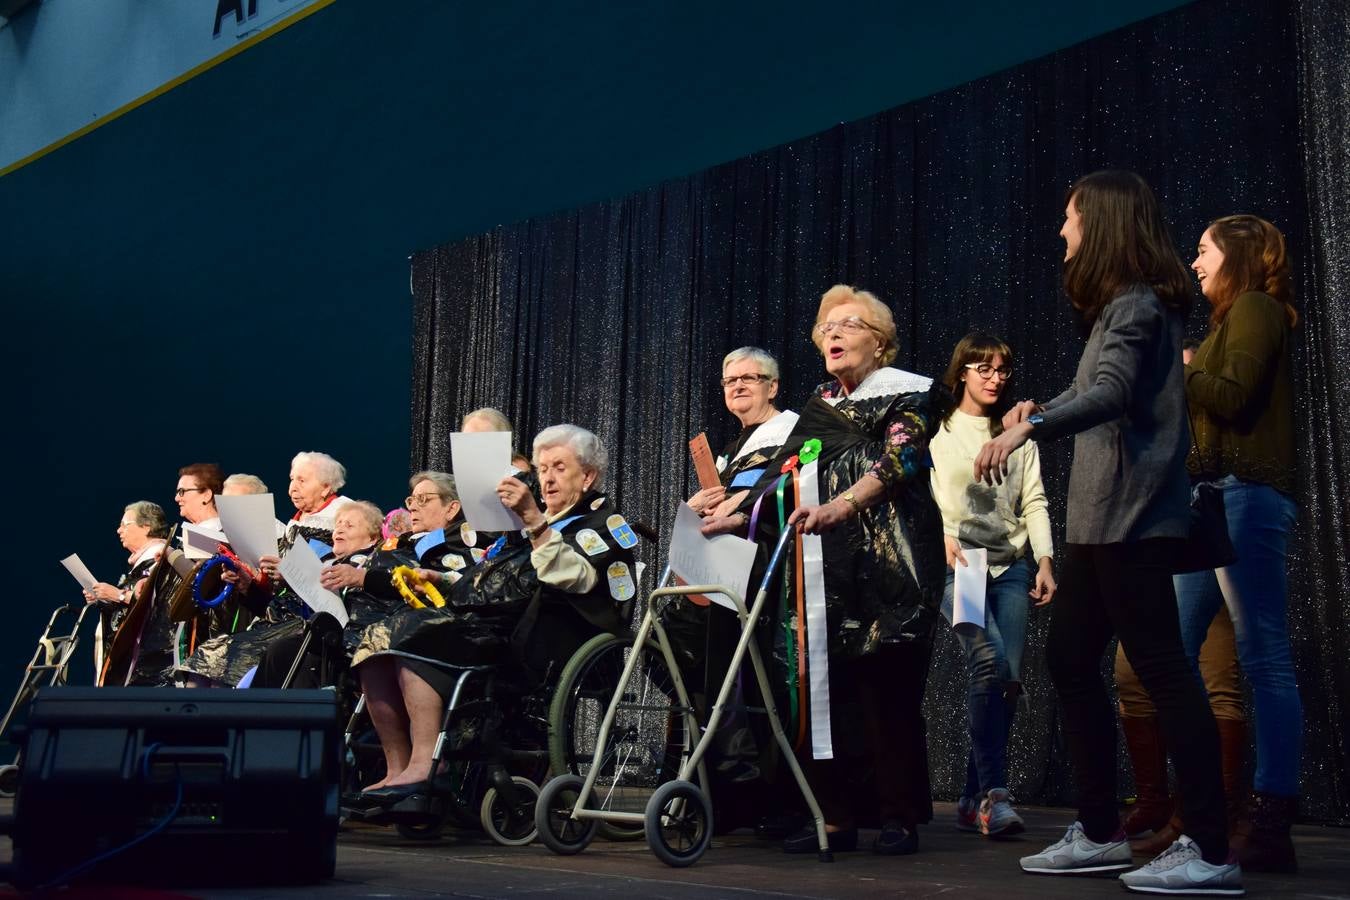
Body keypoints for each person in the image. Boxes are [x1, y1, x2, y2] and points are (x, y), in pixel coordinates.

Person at [980, 170, 1240, 895]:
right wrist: (1038, 410)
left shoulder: (1139, 303)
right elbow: (1087, 390)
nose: (1063, 232)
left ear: (1101, 222)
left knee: (1163, 669)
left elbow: (1114, 394)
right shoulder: (1116, 312)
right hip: (1100, 522)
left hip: (1133, 518)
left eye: (1070, 219)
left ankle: (1211, 847)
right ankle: (1098, 831)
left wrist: (1028, 427)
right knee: (1070, 662)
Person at [705, 284, 946, 857]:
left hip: (892, 559)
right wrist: (733, 510)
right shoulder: (819, 407)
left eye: (849, 324)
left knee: (885, 689)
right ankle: (833, 813)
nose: (832, 334)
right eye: (826, 328)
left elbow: (902, 457)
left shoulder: (909, 392)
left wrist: (847, 503)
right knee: (826, 688)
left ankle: (896, 814)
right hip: (824, 563)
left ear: (879, 340)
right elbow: (784, 474)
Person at [349, 426, 634, 805]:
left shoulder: (600, 524)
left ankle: (426, 765)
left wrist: (534, 518)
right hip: (489, 625)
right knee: (377, 643)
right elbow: (494, 576)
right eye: (542, 467)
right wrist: (446, 579)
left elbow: (575, 579)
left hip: (539, 641)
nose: (546, 477)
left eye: (559, 468)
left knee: (412, 633)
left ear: (588, 476)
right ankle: (397, 768)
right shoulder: (524, 526)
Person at [1176, 214, 1302, 872]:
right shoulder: (1227, 322)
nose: (1194, 262)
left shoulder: (1256, 307)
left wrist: (1186, 366)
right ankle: (1202, 808)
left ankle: (1273, 814)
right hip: (1211, 501)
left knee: (1263, 656)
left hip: (1247, 495)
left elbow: (1233, 396)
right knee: (1170, 650)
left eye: (1202, 250)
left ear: (1238, 255)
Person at [930, 333, 1054, 838]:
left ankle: (969, 796)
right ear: (962, 371)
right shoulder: (939, 430)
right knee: (987, 660)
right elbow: (928, 492)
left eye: (1002, 370)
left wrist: (1045, 560)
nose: (994, 378)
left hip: (1012, 565)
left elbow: (1034, 500)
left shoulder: (1019, 433)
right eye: (983, 368)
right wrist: (941, 533)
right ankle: (997, 795)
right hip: (960, 565)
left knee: (1006, 681)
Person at [250, 500, 386, 689]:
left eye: (350, 525)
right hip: (293, 629)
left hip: (343, 639)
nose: (339, 529)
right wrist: (250, 586)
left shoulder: (370, 565)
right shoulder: (321, 561)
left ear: (372, 538)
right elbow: (278, 609)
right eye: (338, 524)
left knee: (281, 650)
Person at [84, 502, 170, 676]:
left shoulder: (160, 556)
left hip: (151, 665)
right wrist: (105, 598)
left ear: (146, 527)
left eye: (125, 525)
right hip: (136, 662)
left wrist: (117, 595)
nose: (119, 530)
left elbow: (158, 602)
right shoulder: (142, 562)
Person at [175, 463, 224, 531]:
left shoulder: (224, 538)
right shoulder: (196, 534)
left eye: (182, 491)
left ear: (206, 495)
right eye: (177, 492)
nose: (176, 498)